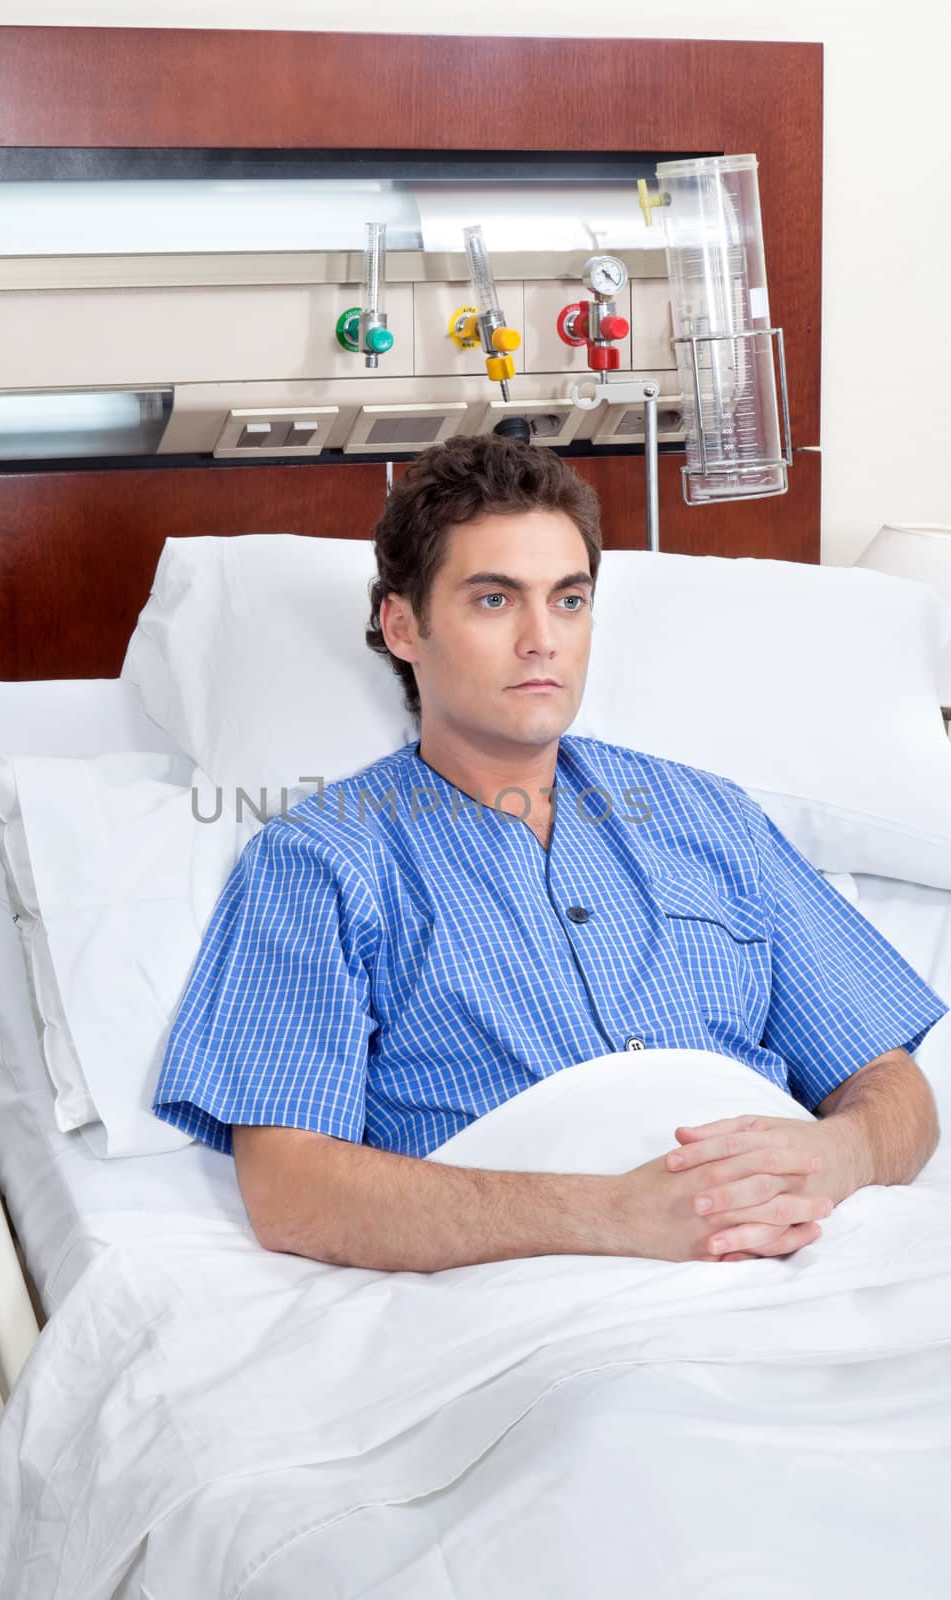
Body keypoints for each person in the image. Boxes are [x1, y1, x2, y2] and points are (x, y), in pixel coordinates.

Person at [154, 434, 945, 1271]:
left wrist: (838, 1156)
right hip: (540, 1290)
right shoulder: (320, 864)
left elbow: (892, 1090)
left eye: (568, 600)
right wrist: (613, 1216)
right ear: (401, 626)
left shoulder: (711, 818)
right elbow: (291, 1191)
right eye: (494, 601)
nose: (543, 639)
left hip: (804, 1259)